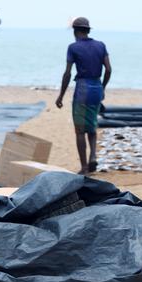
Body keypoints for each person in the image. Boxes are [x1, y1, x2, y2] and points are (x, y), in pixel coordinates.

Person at [55, 17, 111, 174]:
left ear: (75, 31)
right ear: (87, 30)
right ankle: (93, 156)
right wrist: (103, 87)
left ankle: (85, 167)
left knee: (80, 130)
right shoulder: (101, 45)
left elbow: (67, 73)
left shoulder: (73, 47)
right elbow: (108, 69)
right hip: (96, 88)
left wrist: (60, 96)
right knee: (92, 125)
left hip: (83, 89)